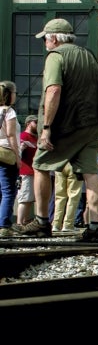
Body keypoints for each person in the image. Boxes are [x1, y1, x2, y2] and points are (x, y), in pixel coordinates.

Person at [14, 18, 98, 242]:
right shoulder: (88, 56)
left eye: (45, 39)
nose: (45, 44)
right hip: (92, 125)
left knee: (40, 165)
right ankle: (95, 227)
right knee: (90, 173)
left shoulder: (56, 57)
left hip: (65, 126)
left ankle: (41, 222)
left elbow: (53, 91)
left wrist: (47, 128)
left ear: (53, 38)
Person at [0, 81, 22, 236]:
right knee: (9, 191)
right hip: (6, 153)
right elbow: (11, 135)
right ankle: (4, 226)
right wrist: (17, 154)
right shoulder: (9, 112)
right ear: (10, 94)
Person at [16, 114, 38, 228]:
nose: (37, 124)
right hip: (25, 171)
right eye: (35, 122)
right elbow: (18, 153)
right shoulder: (23, 136)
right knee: (24, 197)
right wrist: (21, 148)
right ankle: (19, 222)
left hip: (34, 172)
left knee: (30, 199)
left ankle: (24, 221)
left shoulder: (36, 138)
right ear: (28, 123)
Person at [51, 161, 83, 232]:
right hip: (75, 164)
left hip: (60, 164)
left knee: (59, 196)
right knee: (73, 196)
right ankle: (68, 224)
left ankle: (56, 224)